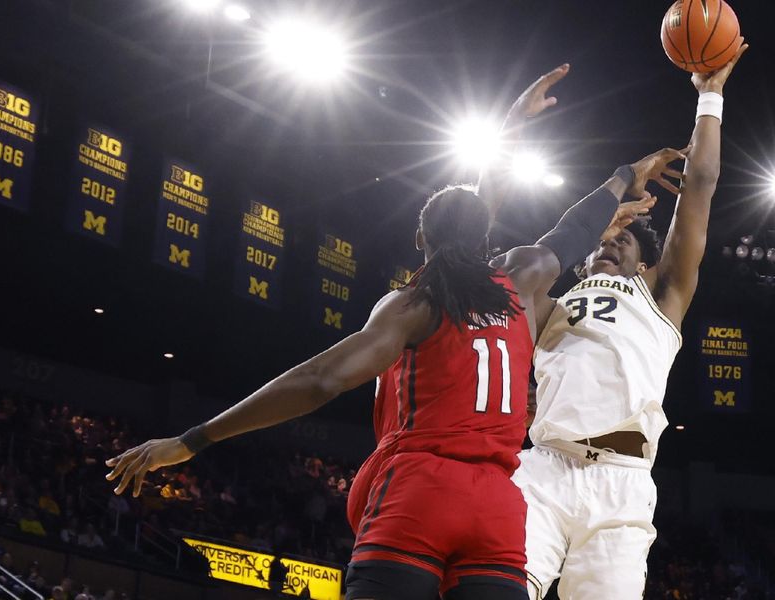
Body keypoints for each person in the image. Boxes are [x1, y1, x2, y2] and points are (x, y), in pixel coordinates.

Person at [105, 65, 681, 600]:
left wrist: (193, 439)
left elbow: (324, 378)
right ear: (484, 237)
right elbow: (573, 226)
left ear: (419, 241)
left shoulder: (414, 304)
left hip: (420, 492)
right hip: (500, 509)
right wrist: (624, 176)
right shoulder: (524, 277)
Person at [510, 44, 748, 599]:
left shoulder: (662, 297)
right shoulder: (553, 302)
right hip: (543, 469)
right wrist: (599, 210)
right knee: (497, 590)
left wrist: (709, 98)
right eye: (600, 240)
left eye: (623, 238)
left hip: (621, 482)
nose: (608, 243)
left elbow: (702, 186)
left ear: (646, 263)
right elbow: (526, 262)